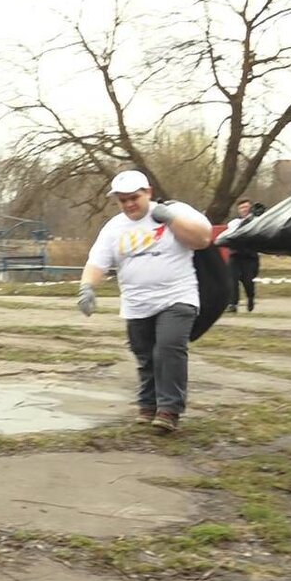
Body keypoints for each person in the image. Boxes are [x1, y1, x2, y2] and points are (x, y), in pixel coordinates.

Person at [77, 170, 212, 432]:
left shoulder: (175, 212)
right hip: (137, 303)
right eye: (122, 200)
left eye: (134, 198)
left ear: (148, 192)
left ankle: (169, 410)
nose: (129, 204)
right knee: (145, 355)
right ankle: (148, 404)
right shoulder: (115, 227)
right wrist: (87, 288)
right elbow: (97, 262)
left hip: (177, 296)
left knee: (169, 348)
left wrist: (172, 220)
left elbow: (203, 239)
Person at [225, 198, 260, 313]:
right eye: (241, 207)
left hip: (249, 257)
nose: (244, 209)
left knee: (248, 281)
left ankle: (250, 297)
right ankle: (233, 303)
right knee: (232, 279)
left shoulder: (256, 221)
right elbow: (233, 233)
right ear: (238, 210)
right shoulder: (234, 223)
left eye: (246, 207)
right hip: (235, 255)